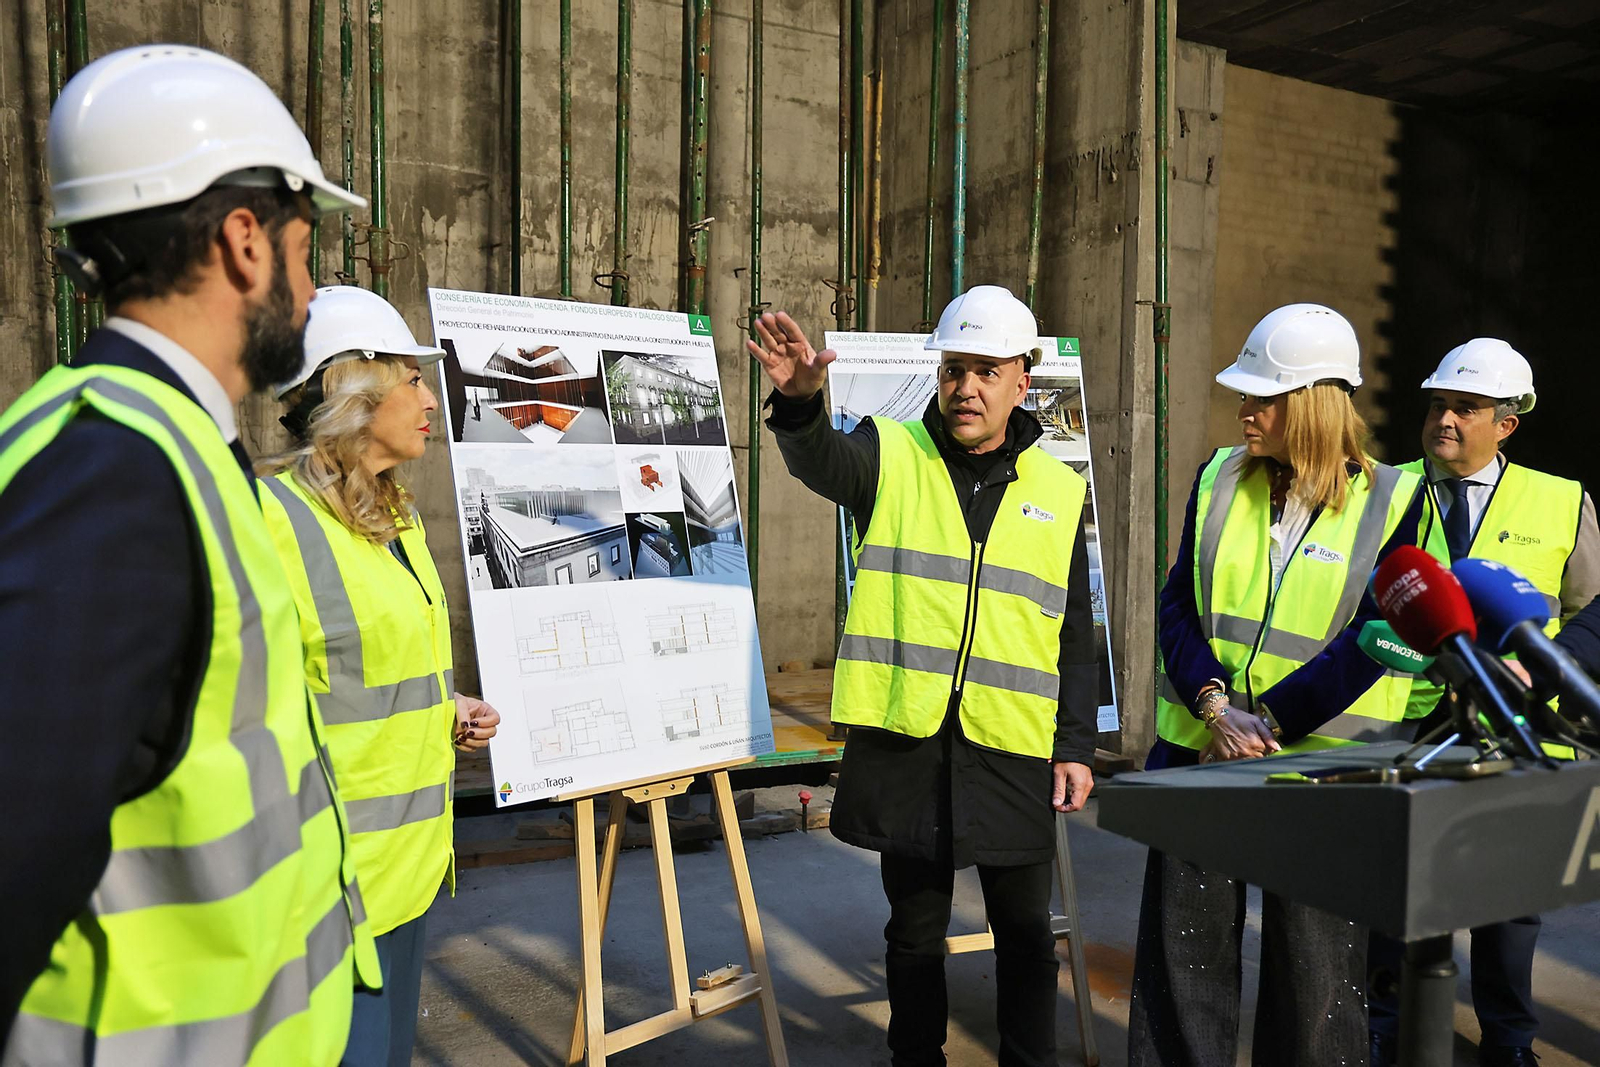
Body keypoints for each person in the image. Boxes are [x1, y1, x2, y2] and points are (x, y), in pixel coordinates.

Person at [0, 45, 380, 1063]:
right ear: (245, 242)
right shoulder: (115, 474)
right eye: (306, 248)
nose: (310, 284)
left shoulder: (171, 447)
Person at [749, 285, 1099, 1067]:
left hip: (1011, 744)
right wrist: (803, 405)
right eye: (953, 369)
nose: (965, 387)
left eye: (984, 370)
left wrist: (1075, 743)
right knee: (913, 934)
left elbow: (1075, 634)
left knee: (1025, 936)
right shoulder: (891, 453)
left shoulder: (1057, 490)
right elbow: (821, 461)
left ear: (1021, 381)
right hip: (908, 740)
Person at [1128, 303, 1444, 1067]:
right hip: (1201, 753)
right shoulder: (1217, 476)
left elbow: (1380, 638)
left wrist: (1260, 721)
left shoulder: (1400, 503)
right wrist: (1212, 705)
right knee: (1182, 971)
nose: (1243, 410)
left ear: (1309, 403)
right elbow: (1178, 604)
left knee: (1317, 990)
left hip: (1323, 776)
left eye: (1260, 397)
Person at [255, 285, 502, 1066]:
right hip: (326, 899)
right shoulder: (271, 521)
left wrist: (448, 705)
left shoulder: (395, 516)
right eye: (413, 378)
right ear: (354, 390)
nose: (430, 396)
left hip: (409, 874)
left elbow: (364, 672)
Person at [1367, 338, 1600, 1067]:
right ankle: (1385, 1025)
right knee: (1396, 888)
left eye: (1464, 408)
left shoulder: (1563, 501)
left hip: (1513, 725)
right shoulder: (1378, 487)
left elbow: (1589, 611)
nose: (1445, 420)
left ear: (1507, 423)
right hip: (1402, 721)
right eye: (1437, 404)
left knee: (1507, 900)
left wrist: (1545, 675)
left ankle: (1508, 1041)